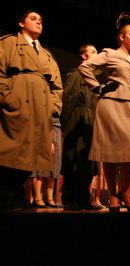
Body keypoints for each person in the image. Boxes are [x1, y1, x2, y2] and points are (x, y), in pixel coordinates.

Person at [79, 12, 130, 213]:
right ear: (121, 37)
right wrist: (98, 88)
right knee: (111, 154)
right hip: (110, 107)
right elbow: (85, 67)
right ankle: (113, 194)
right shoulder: (109, 54)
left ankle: (125, 192)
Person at [0, 10, 63, 211]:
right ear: (21, 23)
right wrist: (8, 98)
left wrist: (52, 107)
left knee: (31, 153)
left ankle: (16, 195)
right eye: (33, 19)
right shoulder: (8, 43)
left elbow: (57, 86)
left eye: (41, 21)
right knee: (11, 150)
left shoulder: (46, 54)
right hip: (18, 104)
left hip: (40, 110)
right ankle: (5, 194)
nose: (38, 23)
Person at [60, 43, 104, 211]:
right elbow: (68, 97)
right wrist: (66, 123)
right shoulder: (77, 74)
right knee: (75, 160)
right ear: (84, 56)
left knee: (87, 162)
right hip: (77, 120)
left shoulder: (95, 77)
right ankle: (70, 198)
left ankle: (83, 198)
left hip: (91, 121)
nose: (96, 53)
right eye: (93, 51)